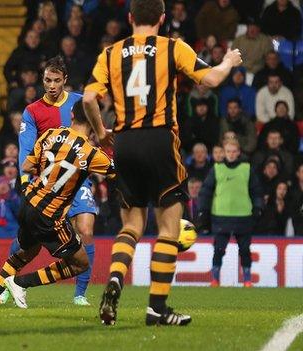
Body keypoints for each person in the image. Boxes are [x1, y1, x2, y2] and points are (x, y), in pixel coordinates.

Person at [83, 0, 242, 326]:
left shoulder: (110, 53)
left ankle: (115, 278)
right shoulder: (172, 47)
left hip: (124, 143)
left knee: (131, 226)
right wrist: (227, 61)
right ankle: (156, 308)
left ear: (130, 18)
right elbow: (210, 80)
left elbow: (87, 99)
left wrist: (100, 132)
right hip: (159, 140)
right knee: (169, 228)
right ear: (162, 18)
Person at [0, 100, 113, 309]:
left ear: (72, 116)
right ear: (95, 121)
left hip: (28, 203)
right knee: (81, 263)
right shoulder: (90, 153)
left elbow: (27, 165)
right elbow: (115, 171)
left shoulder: (50, 135)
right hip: (49, 214)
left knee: (24, 253)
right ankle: (21, 283)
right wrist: (108, 142)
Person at [15, 56, 99, 306]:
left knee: (86, 229)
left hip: (78, 179)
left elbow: (98, 132)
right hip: (48, 182)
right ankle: (8, 282)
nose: (51, 86)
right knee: (29, 244)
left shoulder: (80, 103)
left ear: (65, 81)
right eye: (47, 80)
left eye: (56, 81)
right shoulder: (33, 111)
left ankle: (80, 294)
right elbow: (26, 150)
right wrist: (24, 181)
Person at [196, 138, 263, 287]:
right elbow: (206, 192)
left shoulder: (246, 169)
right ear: (224, 153)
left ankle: (247, 280)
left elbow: (256, 191)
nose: (231, 154)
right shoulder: (217, 169)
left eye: (234, 151)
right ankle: (215, 279)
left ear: (238, 152)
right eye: (228, 152)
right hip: (221, 215)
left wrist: (258, 207)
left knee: (245, 250)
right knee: (219, 249)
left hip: (243, 215)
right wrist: (203, 210)